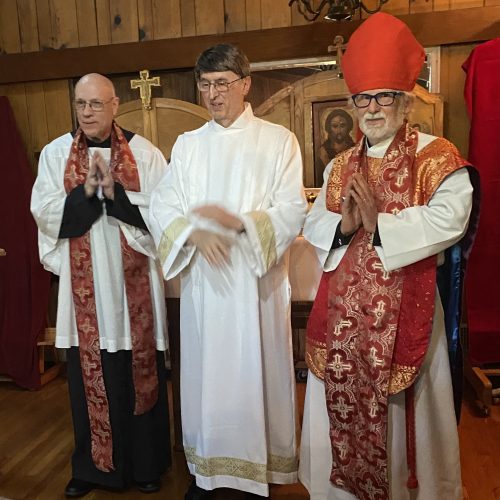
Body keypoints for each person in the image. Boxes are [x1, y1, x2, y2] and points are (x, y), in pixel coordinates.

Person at [298, 13, 476, 500]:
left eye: (383, 97)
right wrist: (345, 225)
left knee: (407, 421)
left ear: (404, 99)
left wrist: (382, 225)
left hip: (407, 314)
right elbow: (313, 223)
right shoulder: (339, 165)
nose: (372, 108)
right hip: (341, 320)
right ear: (352, 103)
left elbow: (451, 219)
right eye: (363, 98)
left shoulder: (436, 155)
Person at [149, 44, 307, 499]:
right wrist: (191, 234)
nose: (213, 95)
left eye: (222, 84)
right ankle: (210, 472)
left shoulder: (278, 140)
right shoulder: (187, 145)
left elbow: (293, 208)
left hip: (255, 285)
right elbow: (164, 203)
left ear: (245, 84)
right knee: (206, 377)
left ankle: (260, 470)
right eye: (205, 85)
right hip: (207, 285)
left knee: (256, 369)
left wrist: (239, 224)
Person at [31, 73, 171, 498]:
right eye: (81, 104)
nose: (88, 112)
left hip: (136, 287)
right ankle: (93, 469)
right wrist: (87, 194)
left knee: (139, 373)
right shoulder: (57, 154)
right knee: (87, 380)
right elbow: (45, 211)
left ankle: (147, 464)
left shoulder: (144, 154)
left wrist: (118, 197)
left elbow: (167, 211)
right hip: (85, 291)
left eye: (96, 104)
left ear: (114, 106)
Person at [315, 109, 355, 186]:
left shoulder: (355, 149)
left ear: (348, 127)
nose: (339, 131)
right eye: (335, 126)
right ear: (329, 128)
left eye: (342, 126)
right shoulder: (323, 152)